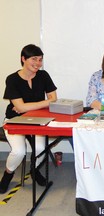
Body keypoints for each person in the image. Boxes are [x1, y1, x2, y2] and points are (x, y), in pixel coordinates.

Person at [0, 44, 57, 193]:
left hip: (38, 120)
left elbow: (54, 98)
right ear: (23, 59)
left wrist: (26, 106)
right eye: (34, 59)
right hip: (14, 120)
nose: (38, 63)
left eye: (40, 59)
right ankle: (8, 174)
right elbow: (19, 109)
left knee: (40, 148)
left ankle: (34, 170)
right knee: (19, 152)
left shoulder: (43, 75)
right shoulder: (12, 79)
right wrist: (44, 102)